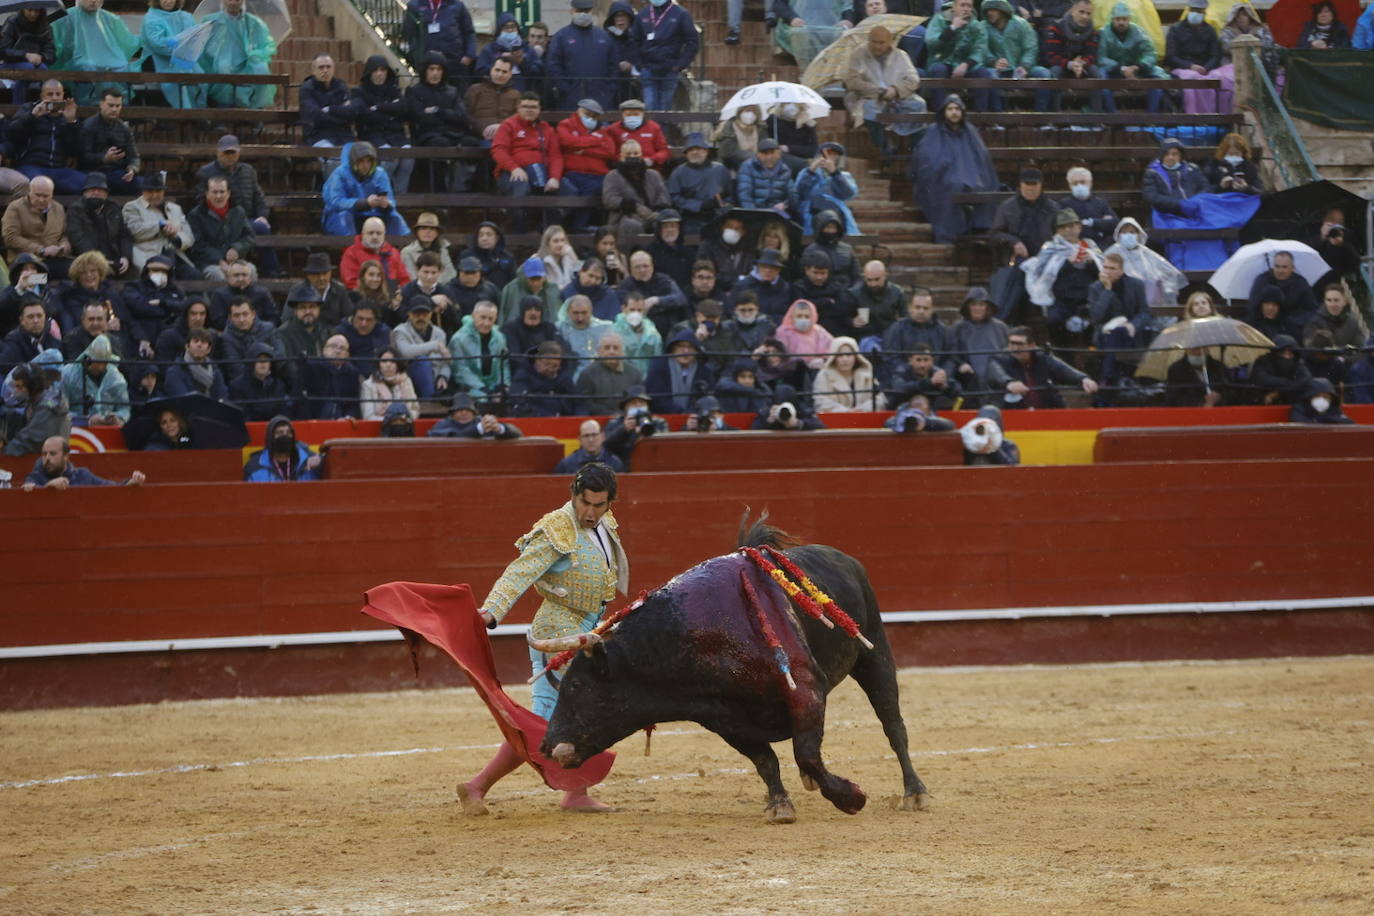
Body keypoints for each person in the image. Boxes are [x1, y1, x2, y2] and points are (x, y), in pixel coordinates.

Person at [457, 462, 626, 814]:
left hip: (587, 627)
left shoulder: (605, 524)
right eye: (585, 503)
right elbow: (519, 571)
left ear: (610, 503)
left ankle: (480, 786)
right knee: (590, 704)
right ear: (574, 495)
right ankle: (572, 791)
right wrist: (490, 612)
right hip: (558, 631)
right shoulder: (557, 529)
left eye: (599, 505)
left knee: (545, 722)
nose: (591, 512)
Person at [911, 94, 997, 244]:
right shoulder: (934, 131)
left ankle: (980, 229)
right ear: (944, 112)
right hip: (943, 178)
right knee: (953, 186)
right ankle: (951, 235)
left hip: (972, 177)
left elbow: (982, 158)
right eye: (950, 109)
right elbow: (927, 158)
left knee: (983, 185)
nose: (954, 112)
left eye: (957, 109)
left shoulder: (970, 131)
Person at [1021, 208, 1104, 348]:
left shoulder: (1090, 245)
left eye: (1071, 226)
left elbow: (1103, 271)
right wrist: (1067, 263)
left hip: (1088, 297)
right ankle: (1062, 356)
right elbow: (1041, 273)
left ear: (1079, 227)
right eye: (1063, 227)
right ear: (1057, 231)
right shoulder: (1050, 247)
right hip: (1061, 299)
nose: (1068, 230)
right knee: (1054, 322)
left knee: (1100, 321)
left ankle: (1092, 357)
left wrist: (1092, 261)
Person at [195, 136, 276, 277]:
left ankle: (272, 271)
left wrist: (262, 216)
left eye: (233, 152)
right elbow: (200, 201)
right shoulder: (206, 172)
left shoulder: (248, 170)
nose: (229, 156)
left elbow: (259, 196)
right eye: (226, 152)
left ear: (239, 153)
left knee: (261, 227)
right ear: (218, 153)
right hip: (219, 219)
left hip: (247, 218)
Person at [491, 92, 567, 232]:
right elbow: (498, 150)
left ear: (539, 110)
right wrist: (514, 168)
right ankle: (518, 235)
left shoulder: (547, 129)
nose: (529, 109)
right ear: (518, 108)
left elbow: (556, 156)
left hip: (542, 171)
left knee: (569, 190)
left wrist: (555, 177)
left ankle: (546, 232)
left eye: (533, 107)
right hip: (512, 172)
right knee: (520, 188)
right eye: (525, 106)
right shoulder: (508, 125)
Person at [844, 26, 925, 154]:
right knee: (868, 108)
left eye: (881, 43)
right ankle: (884, 147)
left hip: (899, 97)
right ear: (869, 40)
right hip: (869, 97)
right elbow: (852, 81)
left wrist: (896, 89)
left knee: (919, 105)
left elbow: (914, 80)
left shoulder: (901, 55)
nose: (877, 46)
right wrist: (878, 91)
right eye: (874, 42)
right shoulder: (858, 54)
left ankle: (916, 148)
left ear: (890, 42)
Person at [405, 52, 475, 193]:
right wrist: (449, 117)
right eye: (431, 69)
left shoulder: (452, 91)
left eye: (439, 69)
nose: (435, 73)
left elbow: (463, 117)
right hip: (427, 137)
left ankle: (463, 192)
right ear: (425, 70)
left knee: (472, 143)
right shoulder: (414, 91)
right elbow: (421, 118)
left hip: (453, 134)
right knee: (440, 144)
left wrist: (439, 111)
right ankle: (439, 192)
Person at [1087, 252, 1150, 402]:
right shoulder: (1095, 287)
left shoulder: (1136, 284)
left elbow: (1145, 313)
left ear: (1121, 270)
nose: (1107, 271)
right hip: (1105, 333)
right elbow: (1096, 317)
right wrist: (1107, 290)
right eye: (1105, 267)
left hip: (1131, 332)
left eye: (1112, 268)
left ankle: (1108, 380)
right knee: (1116, 334)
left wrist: (1134, 325)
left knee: (1121, 332)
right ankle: (1118, 378)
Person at [987, 325, 1098, 408]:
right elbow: (997, 373)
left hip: (1044, 410)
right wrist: (1009, 383)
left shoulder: (1042, 357)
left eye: (1020, 344)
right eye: (1012, 343)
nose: (1015, 348)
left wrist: (1083, 379)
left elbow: (1062, 368)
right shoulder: (999, 358)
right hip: (1013, 412)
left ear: (1031, 345)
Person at [51, 0, 138, 105]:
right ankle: (87, 106)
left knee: (123, 67)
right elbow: (57, 42)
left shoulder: (109, 18)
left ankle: (120, 106)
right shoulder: (68, 16)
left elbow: (125, 40)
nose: (93, 1)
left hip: (110, 59)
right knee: (87, 66)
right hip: (77, 60)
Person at [7, 79, 82, 195]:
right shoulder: (29, 108)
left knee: (89, 184)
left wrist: (71, 122)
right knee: (39, 185)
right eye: (50, 94)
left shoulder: (67, 115)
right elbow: (12, 133)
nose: (54, 98)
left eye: (58, 94)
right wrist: (33, 116)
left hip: (59, 169)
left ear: (63, 95)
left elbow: (74, 150)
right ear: (42, 96)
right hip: (32, 166)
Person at [354, 56, 415, 196]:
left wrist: (379, 108)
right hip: (372, 135)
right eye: (375, 70)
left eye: (383, 70)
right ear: (369, 73)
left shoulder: (394, 90)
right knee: (389, 158)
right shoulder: (360, 92)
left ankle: (400, 195)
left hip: (396, 134)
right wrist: (390, 111)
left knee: (409, 156)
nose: (379, 74)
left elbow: (403, 107)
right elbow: (365, 115)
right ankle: (381, 194)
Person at [199, 0, 278, 109]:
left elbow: (265, 45)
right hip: (219, 62)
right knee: (223, 68)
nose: (233, 3)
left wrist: (254, 53)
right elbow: (202, 47)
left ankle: (255, 111)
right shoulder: (211, 21)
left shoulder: (253, 22)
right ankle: (222, 112)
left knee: (261, 69)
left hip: (248, 62)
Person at [1040, 0, 1116, 113]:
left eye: (1088, 13)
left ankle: (1097, 115)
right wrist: (1070, 64)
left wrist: (1081, 63)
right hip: (1062, 65)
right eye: (1081, 12)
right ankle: (1054, 115)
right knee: (1055, 72)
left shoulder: (1093, 32)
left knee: (1095, 71)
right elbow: (1051, 56)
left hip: (1083, 67)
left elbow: (1092, 55)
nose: (1085, 16)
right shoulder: (1056, 28)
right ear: (1073, 11)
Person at [545, 0, 620, 111]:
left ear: (592, 11)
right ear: (572, 11)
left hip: (601, 98)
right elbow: (553, 65)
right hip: (570, 99)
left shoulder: (604, 37)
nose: (583, 14)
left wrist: (609, 89)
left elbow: (613, 65)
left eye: (586, 10)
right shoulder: (561, 36)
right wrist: (565, 88)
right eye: (579, 10)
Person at [322, 142, 408, 237]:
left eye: (368, 161)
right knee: (344, 217)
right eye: (361, 161)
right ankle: (350, 249)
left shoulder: (380, 173)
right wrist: (364, 203)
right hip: (346, 215)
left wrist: (385, 204)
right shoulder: (340, 174)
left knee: (394, 217)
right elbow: (335, 202)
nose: (365, 165)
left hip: (374, 214)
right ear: (354, 161)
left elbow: (390, 200)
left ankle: (397, 248)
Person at [924, 0, 996, 112]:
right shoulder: (939, 19)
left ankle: (981, 118)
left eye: (969, 6)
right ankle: (941, 115)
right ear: (954, 6)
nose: (966, 9)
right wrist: (952, 28)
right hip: (942, 61)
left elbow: (980, 49)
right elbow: (931, 44)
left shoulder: (976, 25)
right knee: (938, 70)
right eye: (962, 5)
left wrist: (966, 65)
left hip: (965, 64)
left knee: (983, 73)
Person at [1096, 3, 1169, 113]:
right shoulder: (1103, 32)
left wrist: (1137, 67)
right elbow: (1100, 58)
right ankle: (1112, 116)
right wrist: (1122, 68)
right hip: (1113, 71)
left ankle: (1151, 118)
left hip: (1136, 70)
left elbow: (1150, 54)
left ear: (1129, 19)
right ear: (1112, 19)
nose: (1121, 22)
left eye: (1125, 19)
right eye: (1118, 19)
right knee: (1100, 76)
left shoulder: (1139, 31)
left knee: (1158, 77)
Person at [557, 98, 617, 232]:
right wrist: (595, 140)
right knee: (589, 188)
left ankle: (590, 226)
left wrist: (583, 150)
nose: (591, 118)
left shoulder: (602, 130)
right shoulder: (566, 124)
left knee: (611, 188)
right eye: (588, 114)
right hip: (575, 171)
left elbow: (609, 151)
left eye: (594, 116)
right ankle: (579, 226)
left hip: (600, 173)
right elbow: (567, 142)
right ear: (579, 111)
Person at [980, 0, 1050, 113]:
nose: (989, 13)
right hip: (997, 69)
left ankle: (1040, 117)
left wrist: (1025, 66)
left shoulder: (1021, 24)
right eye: (987, 10)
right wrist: (993, 61)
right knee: (990, 75)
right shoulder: (982, 26)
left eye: (993, 10)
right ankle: (999, 118)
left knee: (1044, 74)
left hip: (1021, 67)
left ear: (1002, 11)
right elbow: (982, 48)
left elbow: (1031, 48)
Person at [1102, 218, 1185, 311]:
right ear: (1119, 234)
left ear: (1138, 234)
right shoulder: (1112, 252)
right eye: (1124, 232)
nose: (1128, 235)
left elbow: (1167, 271)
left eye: (1132, 232)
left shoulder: (1146, 253)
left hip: (1149, 298)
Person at [602, 139, 671, 251]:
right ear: (621, 156)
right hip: (625, 216)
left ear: (641, 155)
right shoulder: (612, 176)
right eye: (628, 154)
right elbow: (609, 199)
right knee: (631, 225)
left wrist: (656, 211)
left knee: (665, 222)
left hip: (653, 214)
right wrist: (634, 206)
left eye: (635, 153)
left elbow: (663, 196)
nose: (632, 157)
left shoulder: (653, 175)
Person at [629, 0, 697, 111]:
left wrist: (680, 65)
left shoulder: (681, 14)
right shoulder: (643, 14)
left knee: (665, 109)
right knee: (650, 107)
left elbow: (692, 42)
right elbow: (633, 41)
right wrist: (639, 65)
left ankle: (663, 129)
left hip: (670, 70)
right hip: (648, 69)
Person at [989, 167, 1059, 273]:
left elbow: (1061, 233)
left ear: (1041, 185)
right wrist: (1014, 242)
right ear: (1020, 185)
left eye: (1034, 184)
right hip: (1016, 259)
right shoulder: (1007, 207)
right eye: (1027, 184)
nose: (1030, 188)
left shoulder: (1053, 208)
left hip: (1046, 259)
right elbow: (995, 234)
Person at [122, 172, 193, 273]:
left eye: (158, 191)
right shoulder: (132, 207)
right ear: (143, 191)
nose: (154, 195)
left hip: (176, 256)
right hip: (148, 256)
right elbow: (133, 231)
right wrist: (159, 225)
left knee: (194, 276)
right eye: (150, 191)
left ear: (163, 191)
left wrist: (175, 237)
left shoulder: (175, 208)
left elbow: (189, 236)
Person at [138, 0, 204, 108]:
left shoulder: (186, 17)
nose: (167, 1)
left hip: (184, 60)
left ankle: (198, 112)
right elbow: (158, 43)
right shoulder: (151, 18)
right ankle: (185, 111)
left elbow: (195, 38)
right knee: (179, 77)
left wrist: (181, 44)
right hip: (158, 60)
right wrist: (180, 43)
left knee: (201, 76)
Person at [66, 173, 133, 279]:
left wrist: (126, 257)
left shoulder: (114, 208)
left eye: (100, 189)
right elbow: (77, 238)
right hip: (87, 258)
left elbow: (125, 235)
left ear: (106, 193)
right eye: (92, 189)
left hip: (114, 258)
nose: (96, 193)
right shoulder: (75, 210)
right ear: (84, 192)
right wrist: (99, 261)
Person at [187, 176, 254, 282]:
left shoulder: (239, 212)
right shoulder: (195, 215)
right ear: (207, 194)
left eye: (222, 191)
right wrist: (219, 260)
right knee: (219, 276)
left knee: (251, 271)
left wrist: (237, 249)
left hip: (237, 261)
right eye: (214, 192)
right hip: (208, 264)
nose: (219, 195)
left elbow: (249, 237)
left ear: (228, 193)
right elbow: (197, 246)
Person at [3, 176, 72, 278]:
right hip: (25, 263)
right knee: (39, 280)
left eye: (45, 196)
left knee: (79, 272)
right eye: (37, 195)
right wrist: (41, 250)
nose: (41, 199)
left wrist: (63, 246)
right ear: (29, 192)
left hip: (54, 259)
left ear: (52, 195)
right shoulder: (15, 207)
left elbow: (64, 234)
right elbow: (11, 238)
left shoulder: (59, 208)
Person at [22, 434, 144, 489]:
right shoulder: (35, 477)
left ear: (66, 456)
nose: (47, 458)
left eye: (52, 453)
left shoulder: (82, 475)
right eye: (44, 454)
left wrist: (130, 483)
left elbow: (110, 488)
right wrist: (48, 487)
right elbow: (27, 494)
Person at [76, 88, 139, 195]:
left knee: (142, 184)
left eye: (118, 106)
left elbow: (134, 156)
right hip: (94, 171)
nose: (114, 109)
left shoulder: (124, 128)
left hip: (118, 171)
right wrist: (104, 158)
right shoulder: (88, 126)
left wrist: (132, 169)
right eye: (111, 105)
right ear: (101, 104)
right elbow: (83, 157)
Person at [1166, 0, 1223, 113]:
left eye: (1199, 11)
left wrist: (1206, 68)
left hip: (1206, 70)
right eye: (1193, 10)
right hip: (1183, 69)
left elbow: (1215, 55)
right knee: (1191, 79)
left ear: (1204, 13)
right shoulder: (1176, 29)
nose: (1195, 13)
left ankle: (1212, 116)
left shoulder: (1210, 30)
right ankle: (1191, 115)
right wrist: (1190, 66)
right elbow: (1171, 57)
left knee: (1217, 79)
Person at [299, 54, 356, 169]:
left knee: (357, 160)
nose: (325, 70)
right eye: (321, 67)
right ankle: (333, 187)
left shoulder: (342, 86)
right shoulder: (306, 89)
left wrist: (329, 111)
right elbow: (315, 115)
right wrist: (340, 115)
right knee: (333, 161)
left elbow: (351, 113)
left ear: (333, 69)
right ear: (313, 70)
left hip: (344, 136)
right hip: (318, 136)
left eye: (328, 67)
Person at [668, 133, 732, 233]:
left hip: (717, 216)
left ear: (706, 151)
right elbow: (674, 197)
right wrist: (698, 205)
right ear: (686, 154)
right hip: (691, 218)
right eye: (691, 150)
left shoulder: (720, 169)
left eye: (698, 148)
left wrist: (723, 206)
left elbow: (730, 194)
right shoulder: (678, 172)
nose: (694, 152)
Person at [792, 142, 859, 236]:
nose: (830, 157)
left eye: (834, 155)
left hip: (836, 216)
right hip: (810, 217)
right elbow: (798, 193)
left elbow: (848, 194)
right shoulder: (807, 172)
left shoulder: (844, 176)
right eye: (827, 153)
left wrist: (834, 173)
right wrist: (811, 171)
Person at [1244, 251, 1318, 337]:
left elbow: (1312, 310)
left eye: (1284, 267)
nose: (1280, 270)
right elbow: (1253, 306)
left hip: (1291, 328)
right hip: (1263, 327)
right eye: (1277, 266)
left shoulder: (1301, 283)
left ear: (1293, 268)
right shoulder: (1262, 281)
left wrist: (1294, 321)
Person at [951, 288, 1009, 396]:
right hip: (969, 381)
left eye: (981, 304)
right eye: (973, 304)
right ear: (967, 306)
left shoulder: (1001, 328)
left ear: (987, 306)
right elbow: (953, 353)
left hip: (997, 381)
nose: (977, 308)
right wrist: (961, 364)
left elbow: (1007, 354)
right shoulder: (958, 328)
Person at [59, 333, 126, 425]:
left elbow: (124, 408)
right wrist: (86, 420)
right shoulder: (68, 374)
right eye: (97, 362)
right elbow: (60, 410)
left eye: (104, 363)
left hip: (108, 430)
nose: (100, 367)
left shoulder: (116, 378)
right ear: (87, 359)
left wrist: (118, 418)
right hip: (76, 429)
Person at [391, 296, 452, 397]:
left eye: (425, 314)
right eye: (416, 314)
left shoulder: (439, 333)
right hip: (409, 380)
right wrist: (435, 345)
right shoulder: (400, 331)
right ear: (409, 314)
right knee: (422, 361)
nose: (421, 317)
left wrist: (443, 376)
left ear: (431, 314)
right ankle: (429, 400)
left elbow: (447, 360)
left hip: (436, 379)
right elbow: (406, 352)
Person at [449, 301, 509, 397]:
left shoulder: (500, 337)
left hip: (494, 386)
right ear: (473, 316)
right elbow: (460, 370)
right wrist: (482, 389)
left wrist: (502, 384)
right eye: (483, 317)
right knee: (482, 399)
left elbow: (504, 365)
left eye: (491, 319)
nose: (486, 323)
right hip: (469, 388)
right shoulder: (458, 339)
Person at [646, 330, 714, 414]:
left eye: (690, 347)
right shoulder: (659, 365)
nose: (686, 351)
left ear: (696, 351)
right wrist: (680, 413)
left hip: (695, 418)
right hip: (664, 416)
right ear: (673, 348)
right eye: (681, 346)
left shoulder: (704, 370)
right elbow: (656, 397)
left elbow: (706, 398)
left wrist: (691, 414)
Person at [840, 259, 906, 346]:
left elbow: (905, 316)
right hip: (866, 336)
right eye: (869, 280)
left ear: (885, 276)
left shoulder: (897, 292)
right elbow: (844, 317)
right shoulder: (854, 294)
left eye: (877, 279)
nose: (873, 284)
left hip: (890, 335)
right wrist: (852, 321)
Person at [1, 4, 55, 107]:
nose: (33, 14)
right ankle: (18, 107)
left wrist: (42, 57)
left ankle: (43, 107)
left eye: (37, 11)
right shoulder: (12, 22)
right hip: (10, 63)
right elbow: (3, 50)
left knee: (44, 69)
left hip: (36, 64)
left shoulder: (46, 27)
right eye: (30, 10)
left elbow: (51, 53)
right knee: (27, 68)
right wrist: (25, 55)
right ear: (23, 9)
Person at [574, 332, 642, 413]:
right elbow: (584, 405)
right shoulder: (587, 374)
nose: (611, 352)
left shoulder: (635, 373)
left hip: (628, 420)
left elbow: (639, 402)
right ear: (599, 351)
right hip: (597, 420)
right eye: (607, 348)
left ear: (622, 352)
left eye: (615, 348)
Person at [772, 0, 850, 71]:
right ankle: (807, 74)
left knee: (842, 34)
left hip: (831, 27)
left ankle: (831, 75)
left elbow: (848, 6)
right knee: (800, 34)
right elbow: (779, 4)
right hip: (800, 27)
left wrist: (847, 19)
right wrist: (792, 18)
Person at [403, 0, 475, 77]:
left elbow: (469, 32)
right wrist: (418, 60)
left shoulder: (458, 5)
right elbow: (411, 34)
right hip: (427, 63)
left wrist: (469, 55)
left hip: (455, 61)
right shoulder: (414, 5)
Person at [887, 342, 964, 411]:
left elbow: (958, 389)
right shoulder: (902, 370)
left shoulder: (937, 371)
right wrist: (928, 383)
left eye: (926, 360)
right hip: (900, 410)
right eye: (918, 360)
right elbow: (898, 388)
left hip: (931, 412)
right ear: (910, 360)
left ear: (932, 360)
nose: (922, 365)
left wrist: (945, 386)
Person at [243, 416, 322, 482]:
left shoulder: (308, 457)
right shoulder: (255, 465)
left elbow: (330, 461)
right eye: (280, 433)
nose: (285, 436)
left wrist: (320, 459)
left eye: (288, 433)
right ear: (271, 438)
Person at [340, 217, 410, 291]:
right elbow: (350, 282)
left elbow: (404, 279)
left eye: (379, 233)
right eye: (371, 233)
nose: (375, 237)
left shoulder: (393, 253)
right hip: (362, 297)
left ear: (384, 235)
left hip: (392, 296)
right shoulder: (351, 253)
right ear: (363, 234)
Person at [510, 338, 574, 416]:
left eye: (555, 366)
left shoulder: (564, 377)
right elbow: (520, 401)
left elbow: (577, 402)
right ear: (537, 360)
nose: (550, 369)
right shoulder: (523, 375)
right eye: (547, 364)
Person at [1056, 168, 1118, 248]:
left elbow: (1114, 224)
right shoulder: (1063, 204)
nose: (1079, 185)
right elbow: (1065, 230)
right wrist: (1101, 225)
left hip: (1101, 248)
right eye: (1075, 183)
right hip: (1074, 248)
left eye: (1082, 182)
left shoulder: (1101, 203)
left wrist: (1092, 222)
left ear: (1091, 183)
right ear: (1070, 185)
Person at [227, 340, 289, 420]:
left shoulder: (279, 385)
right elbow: (241, 416)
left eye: (266, 359)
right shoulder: (237, 386)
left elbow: (283, 414)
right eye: (259, 359)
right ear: (251, 363)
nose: (263, 363)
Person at [813, 336, 877, 413]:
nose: (845, 359)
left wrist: (864, 409)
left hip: (865, 420)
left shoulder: (867, 373)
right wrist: (847, 412)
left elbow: (880, 398)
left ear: (856, 356)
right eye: (840, 355)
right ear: (834, 357)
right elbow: (820, 401)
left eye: (849, 354)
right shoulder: (823, 375)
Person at [558, 294, 615, 380]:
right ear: (568, 312)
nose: (580, 318)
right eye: (575, 313)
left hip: (600, 376)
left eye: (584, 313)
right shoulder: (559, 329)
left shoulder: (606, 328)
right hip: (569, 376)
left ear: (591, 311)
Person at [793, 250, 847, 338]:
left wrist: (815, 303)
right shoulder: (799, 287)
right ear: (807, 270)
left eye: (823, 273)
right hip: (807, 331)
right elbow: (802, 307)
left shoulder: (836, 287)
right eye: (815, 272)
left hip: (834, 331)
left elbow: (841, 309)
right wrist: (827, 301)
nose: (819, 277)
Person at [728, 248, 791, 322]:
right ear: (758, 267)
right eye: (764, 266)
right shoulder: (742, 286)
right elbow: (731, 311)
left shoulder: (786, 288)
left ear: (779, 269)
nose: (768, 270)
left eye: (773, 267)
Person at [163, 327, 228, 400]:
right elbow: (182, 400)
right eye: (196, 341)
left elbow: (223, 397)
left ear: (209, 349)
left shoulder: (215, 371)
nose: (199, 345)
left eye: (203, 342)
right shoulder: (174, 372)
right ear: (187, 346)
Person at [209, 260, 278, 327]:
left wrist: (260, 329)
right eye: (236, 275)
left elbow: (273, 317)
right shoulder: (219, 294)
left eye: (244, 275)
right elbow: (217, 321)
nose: (240, 278)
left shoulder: (262, 293)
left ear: (250, 278)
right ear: (228, 278)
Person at [358, 347, 420, 420]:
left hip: (404, 425)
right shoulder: (368, 385)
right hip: (379, 427)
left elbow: (415, 409)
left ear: (398, 364)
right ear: (378, 364)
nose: (388, 364)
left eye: (392, 361)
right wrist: (392, 420)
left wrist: (404, 419)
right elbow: (368, 416)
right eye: (384, 361)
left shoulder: (406, 381)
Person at [428, 391, 522, 438]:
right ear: (452, 414)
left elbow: (518, 433)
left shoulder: (481, 421)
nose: (464, 412)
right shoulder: (442, 425)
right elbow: (457, 437)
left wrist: (499, 428)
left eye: (468, 410)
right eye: (459, 409)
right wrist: (479, 429)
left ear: (474, 413)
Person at [1303, 283, 1368, 351]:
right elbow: (1309, 351)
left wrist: (1344, 359)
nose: (1332, 304)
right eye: (1329, 300)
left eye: (1336, 300)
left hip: (1348, 360)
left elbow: (1360, 349)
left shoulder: (1352, 323)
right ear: (1324, 301)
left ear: (1344, 301)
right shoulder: (1314, 323)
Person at [1164, 345, 1235, 406]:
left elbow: (1231, 392)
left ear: (1207, 349)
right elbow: (1173, 397)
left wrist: (1219, 397)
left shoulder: (1219, 367)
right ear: (1186, 350)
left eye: (1202, 348)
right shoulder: (1176, 369)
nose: (1198, 353)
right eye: (1194, 349)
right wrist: (1202, 403)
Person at [611, 293, 662, 374]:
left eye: (639, 310)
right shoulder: (614, 331)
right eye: (632, 310)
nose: (636, 314)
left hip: (647, 378)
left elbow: (658, 358)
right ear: (623, 309)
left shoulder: (652, 332)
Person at [776, 299, 834, 371]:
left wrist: (822, 360)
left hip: (818, 371)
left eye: (807, 316)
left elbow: (833, 348)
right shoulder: (783, 332)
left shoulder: (819, 331)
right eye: (799, 316)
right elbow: (779, 357)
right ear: (792, 316)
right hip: (790, 373)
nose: (803, 319)